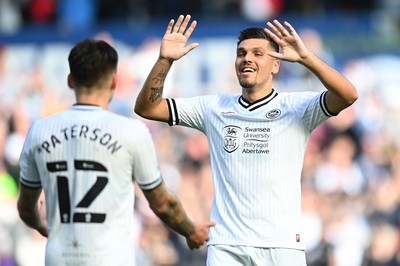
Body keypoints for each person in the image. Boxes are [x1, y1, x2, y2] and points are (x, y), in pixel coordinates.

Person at [134, 14, 358, 265]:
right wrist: (164, 60)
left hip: (281, 244)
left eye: (257, 53)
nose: (247, 58)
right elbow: (148, 109)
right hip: (227, 246)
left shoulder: (296, 107)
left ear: (276, 65)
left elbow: (348, 95)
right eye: (241, 53)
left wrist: (307, 59)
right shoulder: (214, 108)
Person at [17, 39, 216, 266]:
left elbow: (25, 207)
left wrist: (41, 225)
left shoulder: (40, 131)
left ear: (70, 81)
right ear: (113, 82)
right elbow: (162, 203)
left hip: (59, 258)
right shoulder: (131, 132)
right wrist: (190, 230)